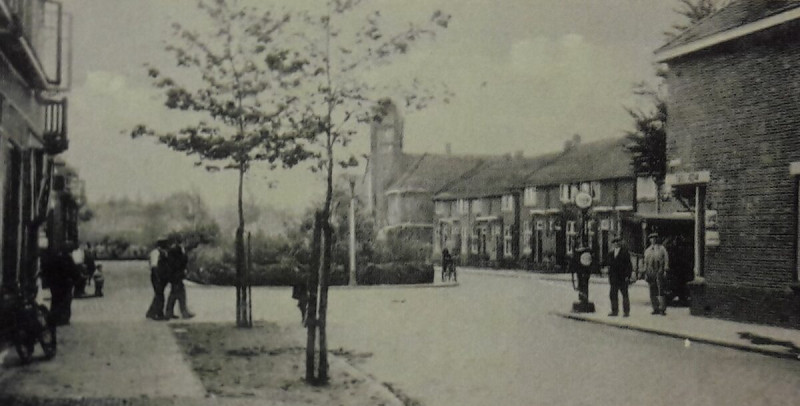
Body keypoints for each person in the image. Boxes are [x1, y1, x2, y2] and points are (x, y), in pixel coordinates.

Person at [41, 243, 81, 326]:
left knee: (55, 301)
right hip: (66, 284)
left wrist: (48, 282)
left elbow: (47, 271)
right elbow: (74, 272)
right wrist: (75, 280)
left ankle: (54, 318)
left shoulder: (53, 259)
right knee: (66, 301)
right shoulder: (68, 259)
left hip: (55, 284)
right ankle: (63, 319)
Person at [165, 236, 194, 319]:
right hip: (176, 276)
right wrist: (184, 254)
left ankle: (171, 312)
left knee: (175, 293)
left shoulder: (173, 250)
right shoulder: (176, 250)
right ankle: (183, 312)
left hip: (174, 276)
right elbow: (181, 262)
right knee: (178, 293)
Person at [604, 236, 633, 317]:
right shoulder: (610, 254)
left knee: (625, 294)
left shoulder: (625, 253)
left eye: (618, 242)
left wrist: (628, 276)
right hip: (613, 278)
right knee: (613, 294)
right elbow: (607, 264)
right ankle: (614, 311)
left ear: (620, 243)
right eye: (615, 242)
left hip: (622, 277)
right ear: (613, 244)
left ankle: (626, 312)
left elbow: (629, 265)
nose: (616, 243)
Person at [644, 232, 669, 315]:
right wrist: (645, 273)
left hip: (659, 271)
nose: (653, 240)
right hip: (651, 272)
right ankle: (655, 308)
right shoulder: (647, 250)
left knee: (660, 290)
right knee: (652, 291)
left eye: (655, 238)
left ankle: (662, 309)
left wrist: (665, 270)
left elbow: (666, 260)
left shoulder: (662, 249)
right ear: (650, 240)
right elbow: (645, 262)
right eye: (651, 238)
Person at [145, 237, 170, 321]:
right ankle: (158, 314)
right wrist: (157, 278)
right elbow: (154, 266)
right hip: (157, 276)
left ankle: (151, 312)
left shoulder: (163, 252)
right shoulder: (155, 253)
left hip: (161, 277)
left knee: (159, 294)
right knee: (160, 295)